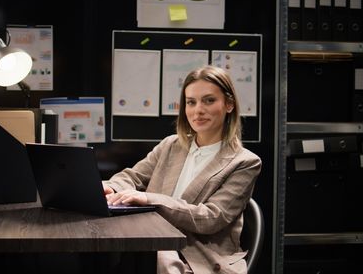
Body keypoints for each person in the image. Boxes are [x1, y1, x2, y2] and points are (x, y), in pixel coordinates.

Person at [103, 65, 262, 274]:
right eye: (191, 102)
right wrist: (109, 188)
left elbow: (211, 218)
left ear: (229, 104)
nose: (198, 110)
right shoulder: (171, 145)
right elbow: (132, 177)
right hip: (152, 244)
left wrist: (150, 199)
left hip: (199, 255)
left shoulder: (245, 162)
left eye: (209, 100)